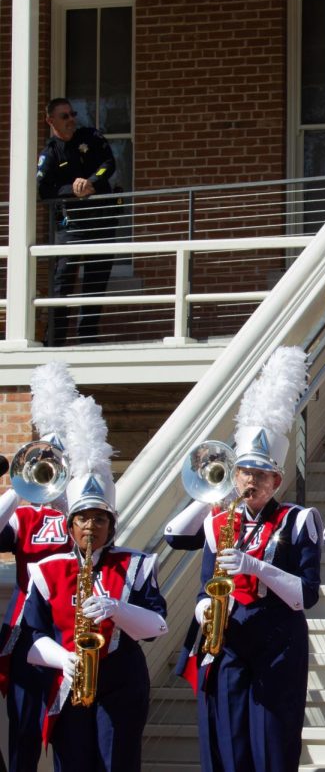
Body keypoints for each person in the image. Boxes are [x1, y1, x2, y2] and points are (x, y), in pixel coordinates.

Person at [179, 347, 323, 772]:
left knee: (273, 746)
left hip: (279, 640)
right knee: (231, 741)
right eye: (245, 472)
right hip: (231, 639)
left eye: (260, 475)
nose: (250, 482)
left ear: (276, 479)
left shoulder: (300, 520)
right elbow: (207, 583)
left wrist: (256, 566)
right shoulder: (219, 521)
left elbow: (307, 595)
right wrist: (205, 606)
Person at [23, 394, 168, 771]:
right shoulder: (48, 568)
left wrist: (117, 609)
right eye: (83, 519)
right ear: (70, 524)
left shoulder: (134, 563)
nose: (91, 526)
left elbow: (157, 626)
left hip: (121, 680)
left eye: (100, 519)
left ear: (111, 524)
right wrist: (64, 659)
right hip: (68, 680)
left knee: (116, 762)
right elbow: (32, 637)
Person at [0, 363, 77, 772]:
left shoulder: (87, 516)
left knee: (72, 729)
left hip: (71, 627)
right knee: (25, 727)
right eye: (45, 460)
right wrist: (18, 488)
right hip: (28, 629)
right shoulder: (25, 515)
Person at [36, 98, 118, 346]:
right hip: (72, 226)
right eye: (64, 116)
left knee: (96, 279)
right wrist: (72, 190)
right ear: (51, 121)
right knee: (63, 281)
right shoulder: (50, 153)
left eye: (73, 114)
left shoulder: (91, 137)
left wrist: (91, 181)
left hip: (101, 220)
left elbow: (109, 163)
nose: (71, 119)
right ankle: (55, 340)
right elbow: (44, 190)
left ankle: (87, 338)